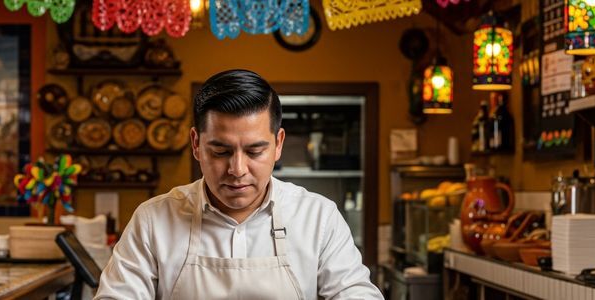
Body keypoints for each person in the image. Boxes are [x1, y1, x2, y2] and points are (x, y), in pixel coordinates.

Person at [95, 70, 383, 299]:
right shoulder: (153, 220)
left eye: (255, 151)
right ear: (196, 144)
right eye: (220, 151)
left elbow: (356, 294)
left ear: (278, 144)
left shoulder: (318, 217)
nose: (237, 170)